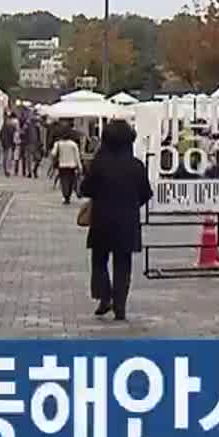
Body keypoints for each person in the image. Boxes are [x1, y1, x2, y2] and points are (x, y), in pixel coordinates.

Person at [80, 119, 151, 321]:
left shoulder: (99, 163)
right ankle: (120, 306)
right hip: (127, 220)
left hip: (102, 219)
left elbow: (86, 189)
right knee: (123, 263)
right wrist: (131, 204)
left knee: (99, 260)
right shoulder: (136, 165)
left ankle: (104, 295)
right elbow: (145, 193)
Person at [51, 130, 84, 203]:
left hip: (62, 165)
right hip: (72, 166)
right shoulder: (73, 144)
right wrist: (80, 167)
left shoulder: (58, 143)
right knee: (71, 181)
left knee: (64, 181)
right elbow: (77, 156)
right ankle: (68, 194)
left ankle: (66, 196)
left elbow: (53, 153)